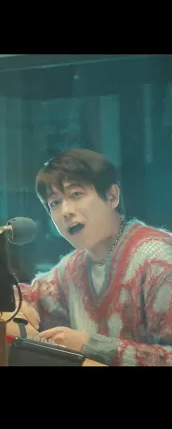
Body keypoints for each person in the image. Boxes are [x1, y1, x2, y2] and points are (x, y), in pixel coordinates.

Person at [16, 148, 172, 366]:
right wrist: (17, 303)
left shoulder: (158, 258)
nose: (66, 211)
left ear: (112, 196)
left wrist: (89, 346)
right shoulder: (74, 266)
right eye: (54, 203)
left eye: (76, 195)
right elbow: (29, 295)